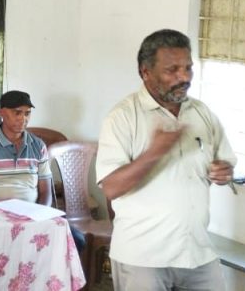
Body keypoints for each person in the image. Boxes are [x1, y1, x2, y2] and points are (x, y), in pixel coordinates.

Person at [96, 29, 236, 291]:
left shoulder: (201, 113)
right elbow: (111, 187)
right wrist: (155, 152)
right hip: (143, 258)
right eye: (172, 70)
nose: (184, 77)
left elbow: (225, 163)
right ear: (145, 72)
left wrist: (224, 173)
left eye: (188, 68)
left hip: (197, 252)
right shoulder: (122, 117)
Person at [0, 90, 53, 206]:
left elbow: (46, 192)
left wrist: (42, 212)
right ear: (1, 113)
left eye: (27, 113)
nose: (23, 118)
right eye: (17, 113)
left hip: (33, 211)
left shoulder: (39, 146)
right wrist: (6, 213)